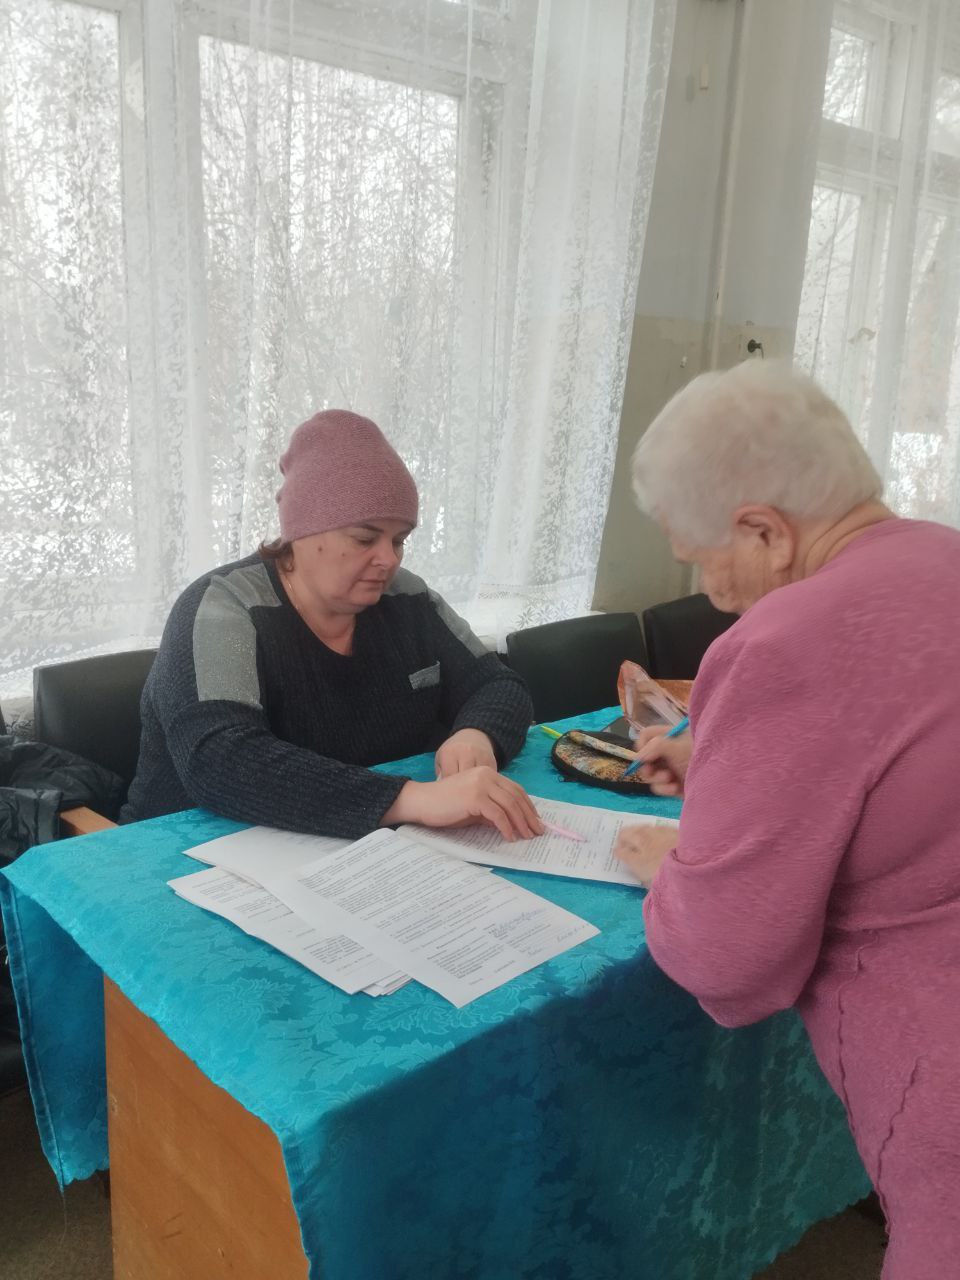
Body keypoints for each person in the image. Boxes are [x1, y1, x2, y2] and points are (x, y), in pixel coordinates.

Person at [613, 360, 960, 1279]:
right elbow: (901, 763)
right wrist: (723, 761)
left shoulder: (781, 639)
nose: (705, 585)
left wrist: (671, 869)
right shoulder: (945, 555)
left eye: (701, 556)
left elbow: (730, 959)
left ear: (766, 531)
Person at [122, 410, 542, 842]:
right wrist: (412, 800)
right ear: (302, 531)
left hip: (345, 846)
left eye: (399, 540)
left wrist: (477, 735)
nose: (389, 559)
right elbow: (218, 757)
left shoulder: (407, 598)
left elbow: (497, 685)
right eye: (365, 539)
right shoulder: (225, 605)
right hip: (183, 849)